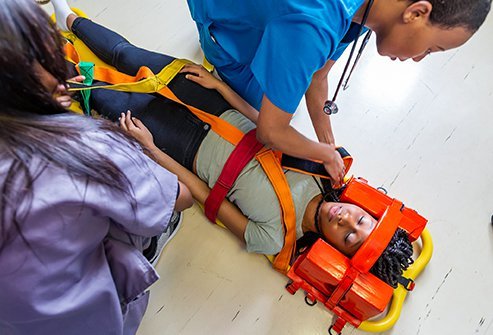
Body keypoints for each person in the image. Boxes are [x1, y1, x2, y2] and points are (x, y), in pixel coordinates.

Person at [47, 2, 413, 288]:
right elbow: (263, 124)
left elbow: (206, 195)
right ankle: (65, 15)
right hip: (213, 104)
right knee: (127, 56)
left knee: (103, 95)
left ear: (333, 252)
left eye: (348, 236)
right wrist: (219, 86)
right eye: (361, 219)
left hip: (180, 145)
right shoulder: (320, 174)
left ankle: (42, 60)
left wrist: (150, 150)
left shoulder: (273, 238)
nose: (346, 220)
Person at [0, 1, 193, 334]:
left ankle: (70, 19)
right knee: (124, 59)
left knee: (124, 61)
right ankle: (71, 20)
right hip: (93, 318)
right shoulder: (88, 150)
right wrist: (144, 150)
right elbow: (183, 196)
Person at [185, 0, 492, 187]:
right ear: (416, 12)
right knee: (242, 112)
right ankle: (217, 45)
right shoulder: (312, 25)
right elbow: (269, 131)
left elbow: (317, 77)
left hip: (287, 25)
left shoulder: (369, 10)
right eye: (430, 48)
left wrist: (326, 141)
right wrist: (323, 154)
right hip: (223, 17)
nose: (419, 58)